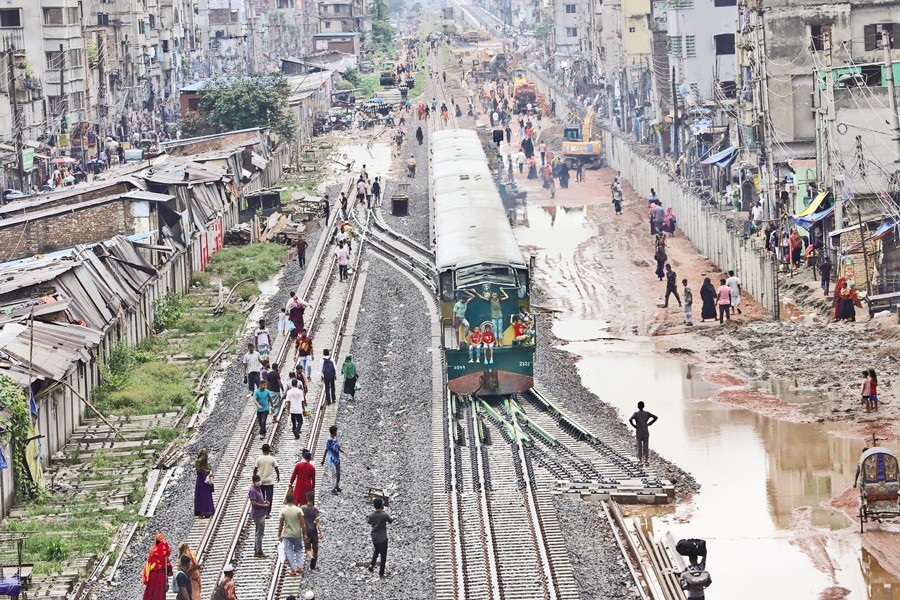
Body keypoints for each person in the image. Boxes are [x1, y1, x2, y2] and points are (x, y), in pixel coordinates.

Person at [278, 492, 306, 575]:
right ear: (294, 500)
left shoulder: (283, 511)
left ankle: (293, 569)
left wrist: (279, 535)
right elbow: (302, 523)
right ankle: (300, 567)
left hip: (287, 534)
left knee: (288, 551)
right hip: (297, 533)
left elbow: (281, 524)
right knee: (299, 550)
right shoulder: (298, 510)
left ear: (286, 500)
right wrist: (305, 534)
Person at [367, 497, 394, 577]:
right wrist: (385, 512)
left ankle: (372, 564)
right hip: (383, 538)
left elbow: (369, 522)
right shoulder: (384, 515)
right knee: (383, 555)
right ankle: (381, 573)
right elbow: (390, 521)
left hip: (374, 537)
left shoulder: (371, 515)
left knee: (376, 551)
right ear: (381, 505)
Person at [141, 534, 171, 600]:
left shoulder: (153, 551)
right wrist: (170, 572)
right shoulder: (164, 551)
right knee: (160, 593)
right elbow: (168, 564)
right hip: (161, 575)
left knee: (151, 592)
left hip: (152, 576)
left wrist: (146, 578)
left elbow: (148, 564)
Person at [254, 443, 280, 517]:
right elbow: (276, 468)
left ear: (262, 450)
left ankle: (262, 512)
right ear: (269, 450)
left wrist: (254, 478)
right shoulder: (272, 459)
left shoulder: (259, 459)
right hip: (269, 481)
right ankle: (267, 513)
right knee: (269, 497)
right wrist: (278, 476)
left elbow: (255, 469)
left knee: (261, 497)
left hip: (261, 481)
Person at [629, 401, 658, 467]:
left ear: (638, 406)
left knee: (639, 447)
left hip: (639, 432)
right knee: (646, 446)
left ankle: (640, 460)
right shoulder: (647, 413)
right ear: (644, 406)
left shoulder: (636, 414)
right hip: (645, 432)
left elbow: (630, 419)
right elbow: (655, 417)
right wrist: (649, 423)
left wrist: (634, 426)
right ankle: (646, 460)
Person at [322, 424, 347, 494]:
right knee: (334, 474)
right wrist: (323, 460)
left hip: (337, 459)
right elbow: (326, 450)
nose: (336, 433)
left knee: (338, 473)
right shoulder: (328, 441)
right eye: (336, 432)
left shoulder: (336, 439)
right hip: (331, 460)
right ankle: (333, 489)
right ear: (333, 432)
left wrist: (343, 451)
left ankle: (337, 486)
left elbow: (338, 447)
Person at [249, 475, 269, 557]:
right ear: (253, 481)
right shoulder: (252, 490)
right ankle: (259, 552)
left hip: (261, 513)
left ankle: (256, 550)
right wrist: (264, 506)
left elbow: (259, 500)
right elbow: (254, 503)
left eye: (259, 480)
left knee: (258, 532)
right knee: (259, 533)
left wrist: (264, 502)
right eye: (257, 480)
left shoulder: (258, 489)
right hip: (258, 514)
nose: (258, 482)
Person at [302, 491, 322, 571]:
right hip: (314, 530)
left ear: (307, 498)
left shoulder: (302, 508)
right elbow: (317, 522)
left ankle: (311, 557)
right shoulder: (316, 510)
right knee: (315, 548)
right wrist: (321, 532)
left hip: (306, 531)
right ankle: (313, 566)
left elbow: (301, 520)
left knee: (307, 549)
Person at [194, 449, 215, 518]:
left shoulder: (206, 463)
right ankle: (200, 512)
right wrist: (207, 474)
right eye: (206, 453)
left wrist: (210, 472)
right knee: (201, 497)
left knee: (207, 496)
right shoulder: (198, 462)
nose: (207, 454)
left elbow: (209, 468)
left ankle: (207, 512)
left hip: (206, 482)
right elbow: (198, 472)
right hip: (201, 482)